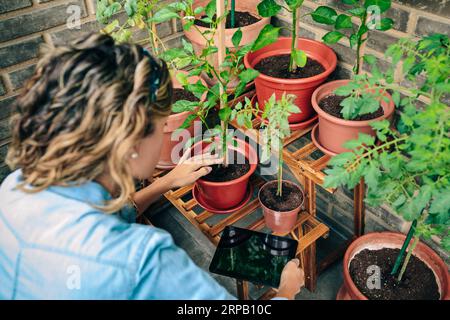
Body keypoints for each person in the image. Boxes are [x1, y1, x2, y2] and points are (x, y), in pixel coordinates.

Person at [0, 33, 304, 300]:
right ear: (132, 141)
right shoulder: (142, 260)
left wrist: (165, 182)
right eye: (161, 127)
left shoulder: (14, 187)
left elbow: (95, 219)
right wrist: (286, 289)